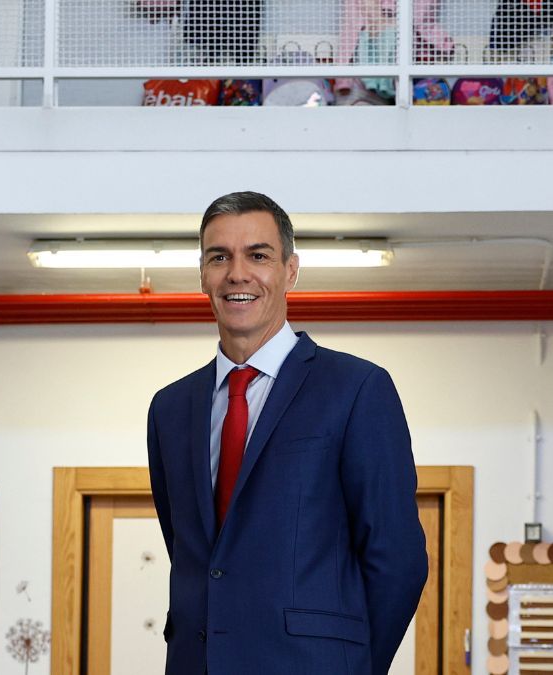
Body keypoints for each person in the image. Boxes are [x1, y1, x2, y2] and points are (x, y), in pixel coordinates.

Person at [146, 192, 427, 674]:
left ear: (290, 271)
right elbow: (197, 555)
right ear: (202, 275)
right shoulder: (169, 409)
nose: (237, 274)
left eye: (258, 255)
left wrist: (350, 665)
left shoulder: (357, 389)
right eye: (219, 257)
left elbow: (397, 560)